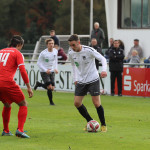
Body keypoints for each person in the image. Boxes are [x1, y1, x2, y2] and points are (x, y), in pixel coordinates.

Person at [68, 34, 107, 132]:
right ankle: (90, 121)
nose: (72, 47)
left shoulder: (89, 50)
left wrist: (104, 70)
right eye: (70, 45)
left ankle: (103, 125)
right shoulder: (71, 53)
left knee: (96, 103)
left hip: (93, 79)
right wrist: (75, 78)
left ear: (78, 43)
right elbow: (73, 66)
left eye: (73, 45)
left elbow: (102, 59)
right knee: (77, 103)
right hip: (81, 80)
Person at [0, 35, 33, 138]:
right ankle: (20, 130)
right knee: (23, 103)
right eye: (21, 47)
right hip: (7, 82)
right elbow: (22, 70)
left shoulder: (1, 51)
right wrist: (28, 86)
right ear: (19, 45)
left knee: (7, 104)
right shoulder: (17, 53)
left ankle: (6, 130)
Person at [34, 38, 58, 105]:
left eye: (52, 43)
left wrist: (55, 68)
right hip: (44, 72)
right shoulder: (43, 53)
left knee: (52, 88)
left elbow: (56, 61)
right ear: (47, 45)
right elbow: (38, 63)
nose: (51, 45)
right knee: (49, 87)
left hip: (52, 71)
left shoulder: (55, 51)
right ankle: (51, 102)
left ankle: (39, 84)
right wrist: (45, 70)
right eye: (50, 44)